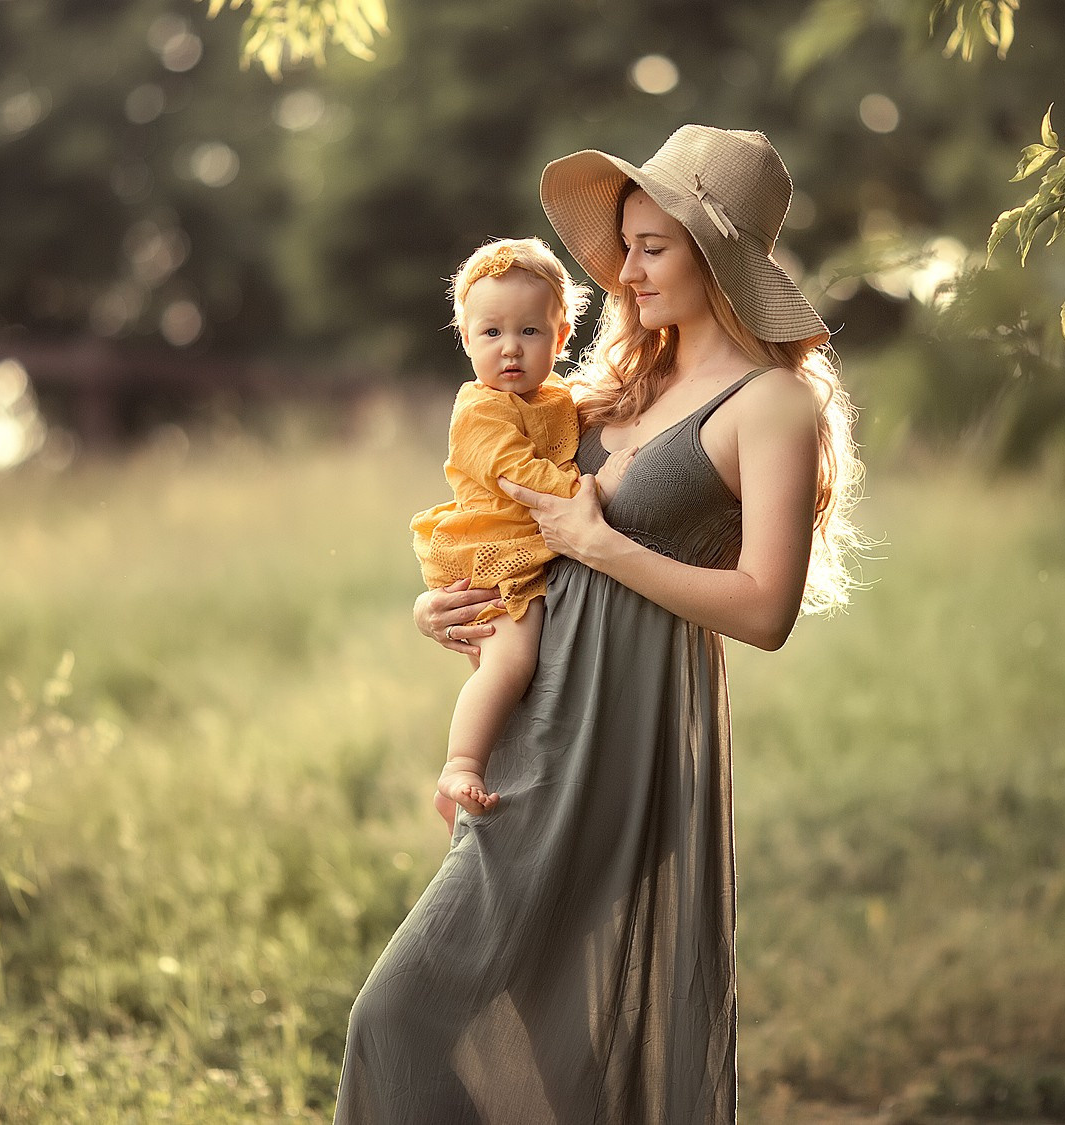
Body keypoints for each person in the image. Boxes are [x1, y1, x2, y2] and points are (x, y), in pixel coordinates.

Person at [334, 125, 865, 1124]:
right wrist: (439, 602)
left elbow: (765, 610)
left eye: (654, 245)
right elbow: (502, 519)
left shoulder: (772, 408)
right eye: (624, 244)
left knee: (396, 1017)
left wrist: (601, 543)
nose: (626, 269)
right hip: (535, 717)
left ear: (715, 255)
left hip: (622, 735)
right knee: (543, 1035)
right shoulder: (608, 388)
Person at [409, 238, 593, 831]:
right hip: (494, 550)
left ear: (561, 337)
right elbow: (516, 474)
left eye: (530, 333)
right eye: (491, 333)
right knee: (509, 664)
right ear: (465, 339)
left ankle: (488, 771)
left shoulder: (559, 397)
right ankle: (459, 766)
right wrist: (587, 490)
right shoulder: (481, 410)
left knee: (514, 680)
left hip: (524, 547)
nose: (510, 348)